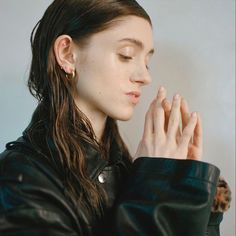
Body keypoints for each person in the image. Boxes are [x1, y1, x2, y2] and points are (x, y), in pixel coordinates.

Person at [0, 0, 231, 235]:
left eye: (147, 61)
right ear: (67, 54)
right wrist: (158, 189)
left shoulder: (125, 170)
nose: (144, 77)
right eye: (126, 55)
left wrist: (186, 193)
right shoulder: (19, 181)